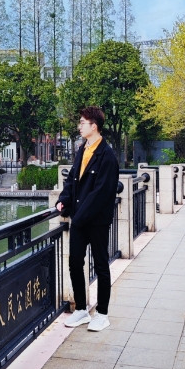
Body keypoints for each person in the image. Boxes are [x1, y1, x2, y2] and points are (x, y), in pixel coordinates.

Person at [55, 106, 119, 332]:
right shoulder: (82, 149)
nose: (79, 126)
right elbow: (72, 179)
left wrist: (79, 216)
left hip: (97, 221)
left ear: (94, 126)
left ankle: (102, 314)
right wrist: (63, 201)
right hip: (80, 219)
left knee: (101, 265)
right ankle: (81, 310)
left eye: (82, 123)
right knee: (75, 262)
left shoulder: (107, 155)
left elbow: (101, 193)